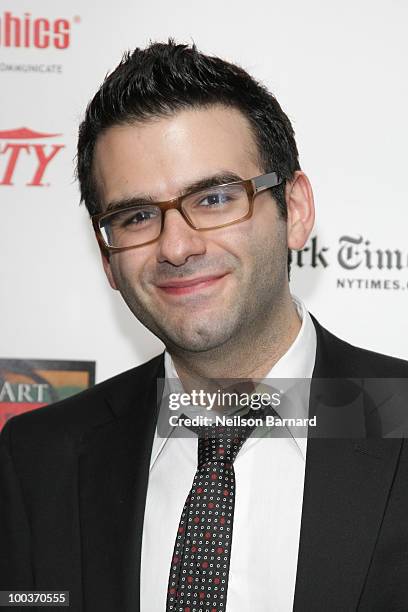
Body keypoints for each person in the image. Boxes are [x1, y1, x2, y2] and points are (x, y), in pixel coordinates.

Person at [1, 40, 408, 612]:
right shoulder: (38, 459)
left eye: (215, 198)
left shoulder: (401, 418)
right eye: (136, 216)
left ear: (296, 209)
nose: (177, 246)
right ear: (106, 258)